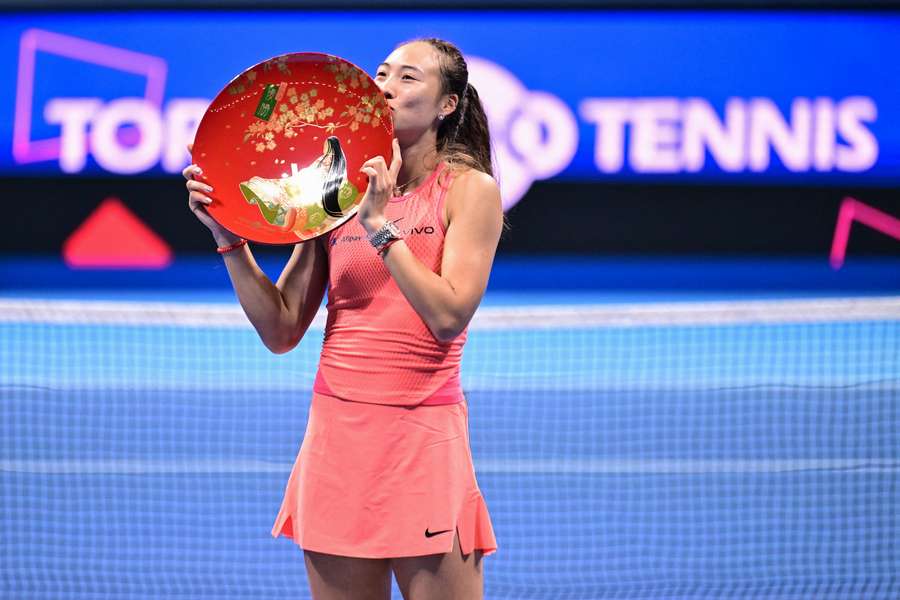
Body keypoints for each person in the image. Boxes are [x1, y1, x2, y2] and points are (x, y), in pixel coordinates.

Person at [185, 38, 502, 600]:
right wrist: (229, 239)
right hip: (337, 442)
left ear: (447, 105)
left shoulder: (468, 191)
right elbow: (281, 330)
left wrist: (380, 226)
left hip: (423, 441)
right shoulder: (335, 194)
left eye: (408, 78)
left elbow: (449, 316)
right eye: (382, 72)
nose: (385, 86)